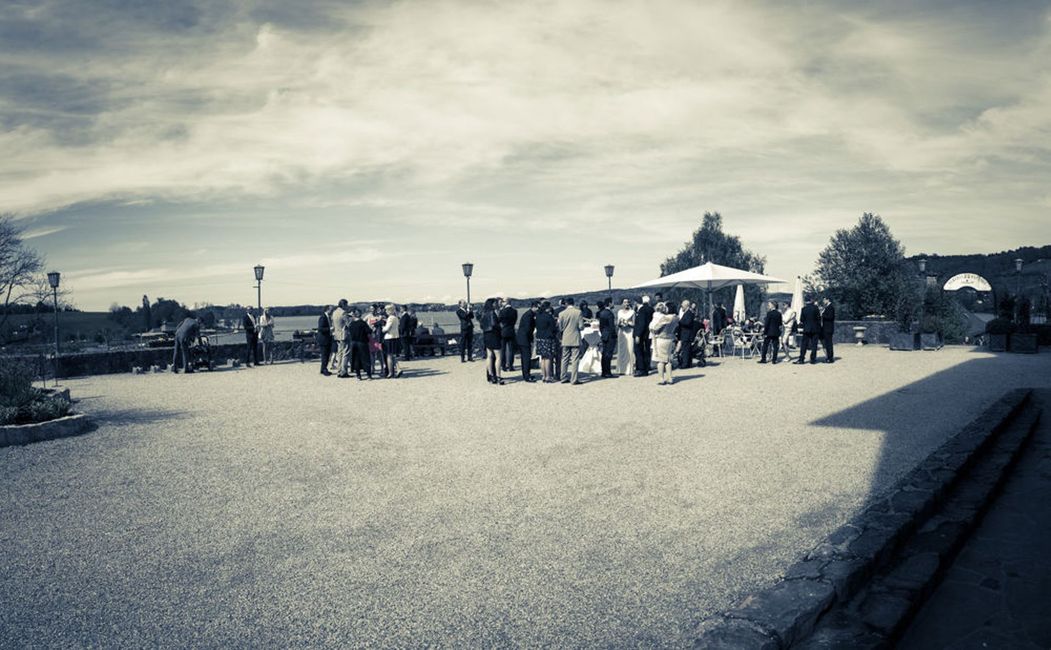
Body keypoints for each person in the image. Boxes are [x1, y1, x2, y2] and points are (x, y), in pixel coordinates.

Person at [557, 297, 585, 384]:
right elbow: (581, 327)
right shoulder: (578, 312)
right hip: (575, 338)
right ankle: (574, 379)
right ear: (574, 303)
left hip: (565, 338)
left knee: (564, 359)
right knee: (575, 359)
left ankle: (563, 377)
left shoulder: (561, 314)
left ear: (566, 303)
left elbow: (560, 328)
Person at [650, 302, 678, 385]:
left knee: (660, 360)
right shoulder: (676, 318)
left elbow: (655, 327)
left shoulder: (666, 318)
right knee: (668, 360)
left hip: (661, 339)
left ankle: (661, 378)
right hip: (670, 339)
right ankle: (670, 378)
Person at [480, 298, 504, 384]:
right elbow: (494, 324)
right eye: (495, 303)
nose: (496, 304)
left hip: (486, 335)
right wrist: (500, 327)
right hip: (494, 335)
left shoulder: (483, 313)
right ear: (492, 304)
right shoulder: (492, 313)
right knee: (498, 356)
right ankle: (498, 376)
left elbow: (481, 326)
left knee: (489, 356)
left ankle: (491, 375)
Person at [534, 301, 558, 383]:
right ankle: (548, 376)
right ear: (547, 308)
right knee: (548, 358)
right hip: (547, 338)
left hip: (539, 338)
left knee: (543, 358)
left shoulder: (538, 316)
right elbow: (553, 328)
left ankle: (543, 376)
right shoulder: (549, 317)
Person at [516, 301, 538, 382]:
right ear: (534, 307)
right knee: (526, 357)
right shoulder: (529, 316)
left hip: (522, 338)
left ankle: (526, 374)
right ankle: (527, 375)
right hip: (524, 339)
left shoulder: (529, 314)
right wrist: (531, 339)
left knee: (525, 357)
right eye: (538, 307)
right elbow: (528, 329)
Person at [347, 309, 372, 379]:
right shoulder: (362, 323)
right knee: (366, 359)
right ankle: (368, 375)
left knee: (356, 359)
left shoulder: (351, 324)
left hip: (353, 343)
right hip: (362, 342)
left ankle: (358, 375)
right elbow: (369, 331)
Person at [797, 295, 821, 365]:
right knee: (814, 344)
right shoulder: (816, 308)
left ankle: (801, 358)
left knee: (804, 344)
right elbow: (819, 318)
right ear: (811, 300)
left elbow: (801, 319)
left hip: (806, 328)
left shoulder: (803, 309)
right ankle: (813, 359)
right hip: (815, 328)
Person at [633, 295, 654, 376]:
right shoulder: (650, 309)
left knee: (638, 351)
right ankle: (646, 367)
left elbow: (641, 323)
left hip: (641, 334)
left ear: (635, 302)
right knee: (646, 351)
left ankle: (641, 369)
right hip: (647, 333)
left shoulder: (641, 310)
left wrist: (638, 335)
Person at [615, 299, 635, 375]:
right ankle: (621, 369)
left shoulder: (632, 312)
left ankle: (629, 369)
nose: (626, 304)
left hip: (629, 332)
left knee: (629, 349)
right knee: (621, 350)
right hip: (621, 332)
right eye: (625, 302)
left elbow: (634, 324)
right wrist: (620, 324)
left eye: (627, 302)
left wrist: (628, 325)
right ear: (622, 303)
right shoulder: (619, 312)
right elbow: (617, 323)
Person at [597, 299, 617, 378]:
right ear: (609, 303)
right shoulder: (610, 314)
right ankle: (608, 372)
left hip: (604, 334)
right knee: (609, 354)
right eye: (613, 302)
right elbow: (612, 326)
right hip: (610, 335)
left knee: (604, 353)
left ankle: (604, 371)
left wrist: (603, 333)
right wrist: (614, 335)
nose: (613, 304)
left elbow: (601, 326)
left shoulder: (602, 313)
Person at [675, 300, 697, 369]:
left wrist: (680, 322)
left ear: (686, 305)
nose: (681, 307)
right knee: (687, 349)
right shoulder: (687, 313)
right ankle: (688, 363)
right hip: (685, 333)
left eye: (682, 306)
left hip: (686, 334)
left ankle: (685, 364)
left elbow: (688, 323)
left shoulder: (689, 313)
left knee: (686, 349)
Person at [382, 304, 402, 378]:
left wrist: (382, 328)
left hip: (389, 338)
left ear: (389, 310)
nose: (386, 311)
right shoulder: (396, 318)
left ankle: (390, 372)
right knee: (393, 356)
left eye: (387, 310)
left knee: (389, 356)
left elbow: (386, 329)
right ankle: (398, 369)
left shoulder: (390, 318)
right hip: (395, 337)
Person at [499, 298, 518, 372]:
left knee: (503, 349)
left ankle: (503, 365)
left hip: (503, 331)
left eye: (503, 302)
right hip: (511, 330)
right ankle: (510, 365)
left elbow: (499, 320)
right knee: (511, 349)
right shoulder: (514, 311)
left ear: (506, 302)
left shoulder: (502, 311)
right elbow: (515, 320)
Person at [331, 299, 350, 377]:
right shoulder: (343, 313)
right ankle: (344, 371)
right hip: (344, 335)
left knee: (340, 353)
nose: (347, 306)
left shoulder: (334, 312)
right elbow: (348, 324)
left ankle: (339, 370)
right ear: (344, 305)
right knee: (346, 353)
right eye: (346, 305)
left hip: (337, 335)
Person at [317, 305, 334, 375]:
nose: (332, 311)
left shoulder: (328, 317)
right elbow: (320, 329)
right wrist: (330, 329)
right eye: (331, 310)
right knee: (325, 355)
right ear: (327, 310)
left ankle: (323, 368)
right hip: (323, 339)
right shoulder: (323, 317)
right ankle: (324, 369)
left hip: (327, 339)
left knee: (326, 355)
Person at [821, 298, 836, 363]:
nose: (823, 301)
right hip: (826, 328)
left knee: (829, 343)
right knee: (827, 343)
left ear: (828, 300)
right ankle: (829, 357)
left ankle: (830, 358)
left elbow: (830, 317)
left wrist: (822, 314)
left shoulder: (830, 307)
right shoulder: (827, 307)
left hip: (828, 328)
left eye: (824, 300)